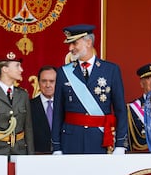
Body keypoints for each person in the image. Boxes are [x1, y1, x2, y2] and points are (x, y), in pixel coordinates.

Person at [51, 24, 128, 154]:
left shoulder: (111, 70)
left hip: (100, 139)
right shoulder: (64, 72)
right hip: (71, 141)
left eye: (74, 43)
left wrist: (121, 144)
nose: (70, 48)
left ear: (88, 42)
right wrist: (56, 146)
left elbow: (120, 110)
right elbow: (58, 112)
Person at [127, 63, 151, 153]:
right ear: (141, 83)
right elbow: (127, 140)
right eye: (148, 78)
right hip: (140, 158)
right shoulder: (130, 109)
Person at [30, 65, 57, 154]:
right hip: (37, 156)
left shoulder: (66, 105)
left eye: (52, 81)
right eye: (44, 81)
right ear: (38, 82)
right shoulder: (29, 106)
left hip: (63, 157)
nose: (48, 85)